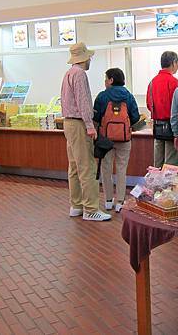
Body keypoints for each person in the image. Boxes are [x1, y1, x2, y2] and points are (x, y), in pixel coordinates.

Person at [61, 42, 111, 222]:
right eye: (89, 57)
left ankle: (76, 205)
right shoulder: (80, 74)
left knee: (74, 167)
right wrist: (90, 125)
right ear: (84, 58)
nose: (90, 60)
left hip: (68, 123)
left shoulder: (68, 73)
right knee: (87, 167)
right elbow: (83, 101)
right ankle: (91, 208)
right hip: (79, 124)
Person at [93, 68, 140, 213]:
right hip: (124, 139)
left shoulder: (102, 96)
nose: (105, 81)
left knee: (106, 168)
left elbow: (95, 117)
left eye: (106, 79)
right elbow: (136, 117)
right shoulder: (129, 96)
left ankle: (108, 200)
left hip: (105, 140)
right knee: (121, 169)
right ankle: (120, 201)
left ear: (111, 80)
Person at [146, 51, 178, 168]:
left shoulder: (152, 82)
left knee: (157, 162)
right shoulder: (175, 82)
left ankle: (156, 180)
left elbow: (149, 104)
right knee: (171, 162)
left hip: (157, 127)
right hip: (172, 127)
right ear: (173, 63)